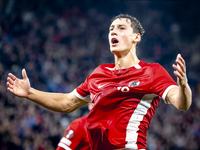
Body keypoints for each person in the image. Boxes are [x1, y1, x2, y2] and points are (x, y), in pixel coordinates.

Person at [7, 14, 192, 150]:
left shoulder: (152, 71)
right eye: (111, 29)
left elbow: (181, 103)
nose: (114, 31)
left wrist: (183, 86)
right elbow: (66, 102)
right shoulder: (99, 73)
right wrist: (30, 93)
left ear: (137, 37)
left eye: (121, 28)